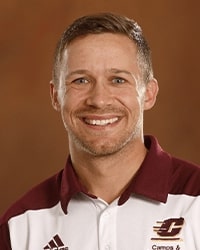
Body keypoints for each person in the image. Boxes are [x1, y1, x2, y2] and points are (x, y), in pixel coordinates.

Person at [0, 12, 200, 250]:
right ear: (55, 96)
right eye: (81, 81)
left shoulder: (195, 199)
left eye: (118, 80)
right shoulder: (19, 226)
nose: (99, 100)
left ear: (149, 93)